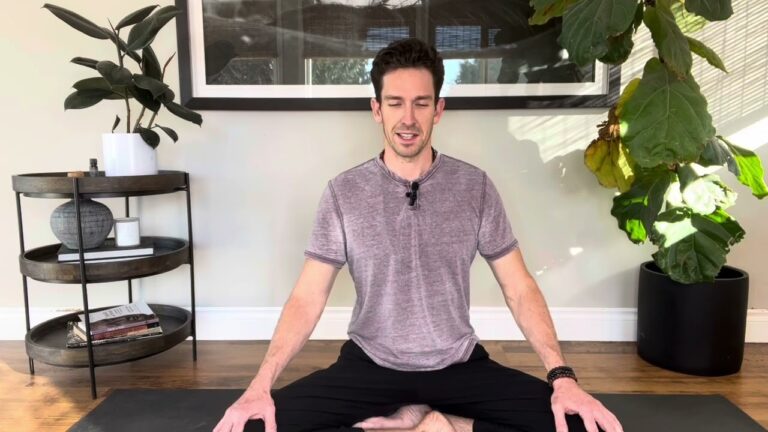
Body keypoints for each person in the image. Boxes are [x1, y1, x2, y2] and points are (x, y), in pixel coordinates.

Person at [214, 38, 623, 432]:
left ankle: (444, 424)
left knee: (580, 425)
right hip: (370, 365)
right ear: (377, 109)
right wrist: (260, 384)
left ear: (438, 109)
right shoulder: (344, 192)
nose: (408, 118)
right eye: (395, 103)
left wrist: (563, 378)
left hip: (457, 365)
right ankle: (401, 423)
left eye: (420, 103)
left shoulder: (474, 186)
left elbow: (518, 287)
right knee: (254, 426)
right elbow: (308, 296)